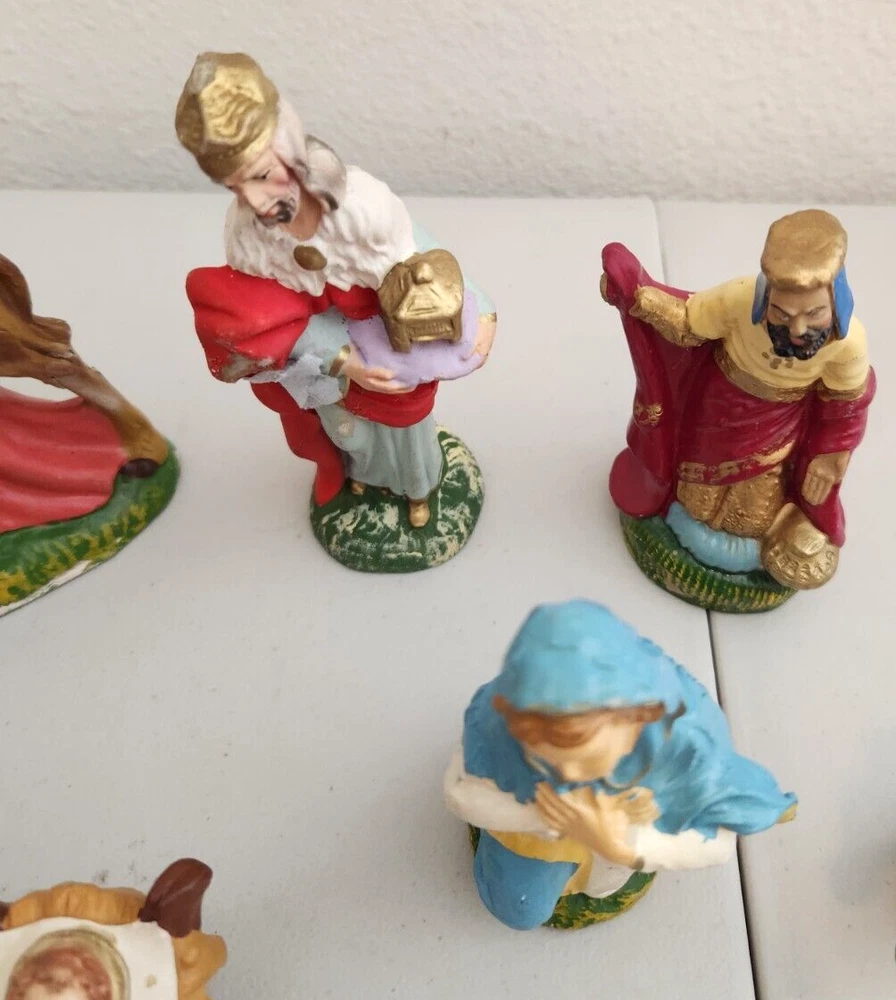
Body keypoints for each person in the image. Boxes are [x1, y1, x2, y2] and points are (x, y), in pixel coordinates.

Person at [175, 52, 496, 528]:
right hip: (333, 353)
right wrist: (345, 362)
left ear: (288, 150)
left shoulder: (362, 208)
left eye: (262, 176)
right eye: (237, 189)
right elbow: (268, 319)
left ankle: (418, 490)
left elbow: (423, 260)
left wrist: (479, 310)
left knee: (407, 429)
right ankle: (362, 477)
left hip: (393, 336)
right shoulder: (249, 240)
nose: (258, 202)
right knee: (350, 431)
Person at [445, 600, 796, 930]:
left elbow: (717, 844)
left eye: (588, 760)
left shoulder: (688, 743)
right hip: (535, 835)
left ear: (637, 718)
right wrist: (553, 818)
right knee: (519, 907)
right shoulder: (497, 720)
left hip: (622, 849)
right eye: (544, 760)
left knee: (605, 881)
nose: (568, 776)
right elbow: (460, 793)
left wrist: (619, 844)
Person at [601, 209, 875, 590]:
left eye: (814, 314)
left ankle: (757, 549)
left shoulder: (848, 345)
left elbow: (846, 407)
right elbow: (687, 321)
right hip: (718, 411)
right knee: (697, 500)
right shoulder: (739, 300)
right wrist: (638, 299)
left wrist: (832, 457)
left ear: (836, 301)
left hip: (780, 427)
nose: (797, 329)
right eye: (781, 314)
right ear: (766, 297)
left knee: (752, 517)